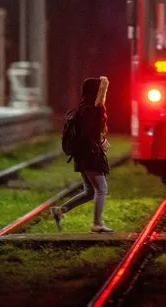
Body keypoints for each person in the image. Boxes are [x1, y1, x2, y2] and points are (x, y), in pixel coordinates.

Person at [51, 77, 113, 233]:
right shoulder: (89, 110)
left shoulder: (84, 108)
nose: (104, 94)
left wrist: (100, 141)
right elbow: (86, 136)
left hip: (83, 156)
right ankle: (97, 224)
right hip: (89, 156)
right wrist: (99, 145)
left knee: (90, 192)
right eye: (102, 90)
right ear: (95, 92)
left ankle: (60, 210)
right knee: (101, 189)